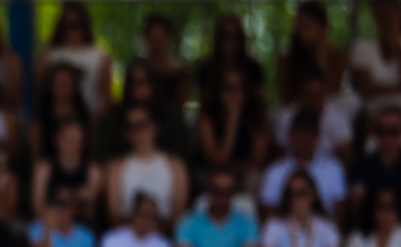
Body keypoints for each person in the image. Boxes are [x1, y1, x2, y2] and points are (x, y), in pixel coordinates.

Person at [347, 0, 401, 119]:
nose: (384, 20)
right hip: (372, 114)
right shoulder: (362, 47)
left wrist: (397, 48)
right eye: (379, 15)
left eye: (388, 14)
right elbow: (364, 89)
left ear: (399, 15)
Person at [348, 106, 401, 229]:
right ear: (374, 133)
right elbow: (357, 215)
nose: (387, 138)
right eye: (381, 131)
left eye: (393, 131)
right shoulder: (360, 167)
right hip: (371, 234)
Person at [105, 105, 188, 227]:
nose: (136, 132)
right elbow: (114, 215)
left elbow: (179, 213)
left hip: (165, 238)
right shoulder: (115, 167)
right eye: (130, 126)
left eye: (141, 125)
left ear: (155, 127)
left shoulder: (176, 166)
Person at [260, 109, 346, 222]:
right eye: (301, 133)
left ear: (318, 137)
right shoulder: (275, 171)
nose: (305, 138)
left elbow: (339, 213)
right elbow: (269, 214)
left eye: (311, 134)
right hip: (285, 233)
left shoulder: (334, 168)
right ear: (290, 134)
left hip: (323, 233)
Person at [98, 58, 190, 163]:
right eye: (134, 82)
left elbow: (182, 156)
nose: (139, 88)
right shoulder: (114, 118)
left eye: (143, 81)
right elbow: (103, 157)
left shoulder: (170, 116)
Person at [196, 67, 268, 195]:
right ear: (218, 91)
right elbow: (216, 161)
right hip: (213, 174)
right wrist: (232, 122)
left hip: (244, 176)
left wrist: (234, 170)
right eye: (228, 88)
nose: (233, 94)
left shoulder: (257, 119)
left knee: (256, 178)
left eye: (238, 88)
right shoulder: (206, 119)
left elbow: (257, 161)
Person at [38, 0, 113, 120]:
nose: (73, 30)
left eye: (78, 24)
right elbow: (40, 91)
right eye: (68, 25)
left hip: (90, 119)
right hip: (56, 121)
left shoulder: (101, 57)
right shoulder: (49, 56)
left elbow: (106, 96)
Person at [33, 117, 103, 227]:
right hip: (50, 225)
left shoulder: (93, 170)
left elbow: (90, 211)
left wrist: (65, 200)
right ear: (57, 140)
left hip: (82, 229)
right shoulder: (44, 168)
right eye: (69, 141)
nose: (74, 146)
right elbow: (37, 208)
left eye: (78, 141)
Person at [277, 0, 347, 104]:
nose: (302, 34)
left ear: (322, 28)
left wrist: (321, 57)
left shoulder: (338, 57)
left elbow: (330, 92)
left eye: (307, 27)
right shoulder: (289, 60)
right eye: (298, 28)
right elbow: (287, 99)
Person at [135, 11, 192, 119]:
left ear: (169, 39)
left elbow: (180, 107)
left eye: (160, 38)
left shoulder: (181, 72)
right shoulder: (137, 70)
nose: (156, 44)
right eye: (153, 38)